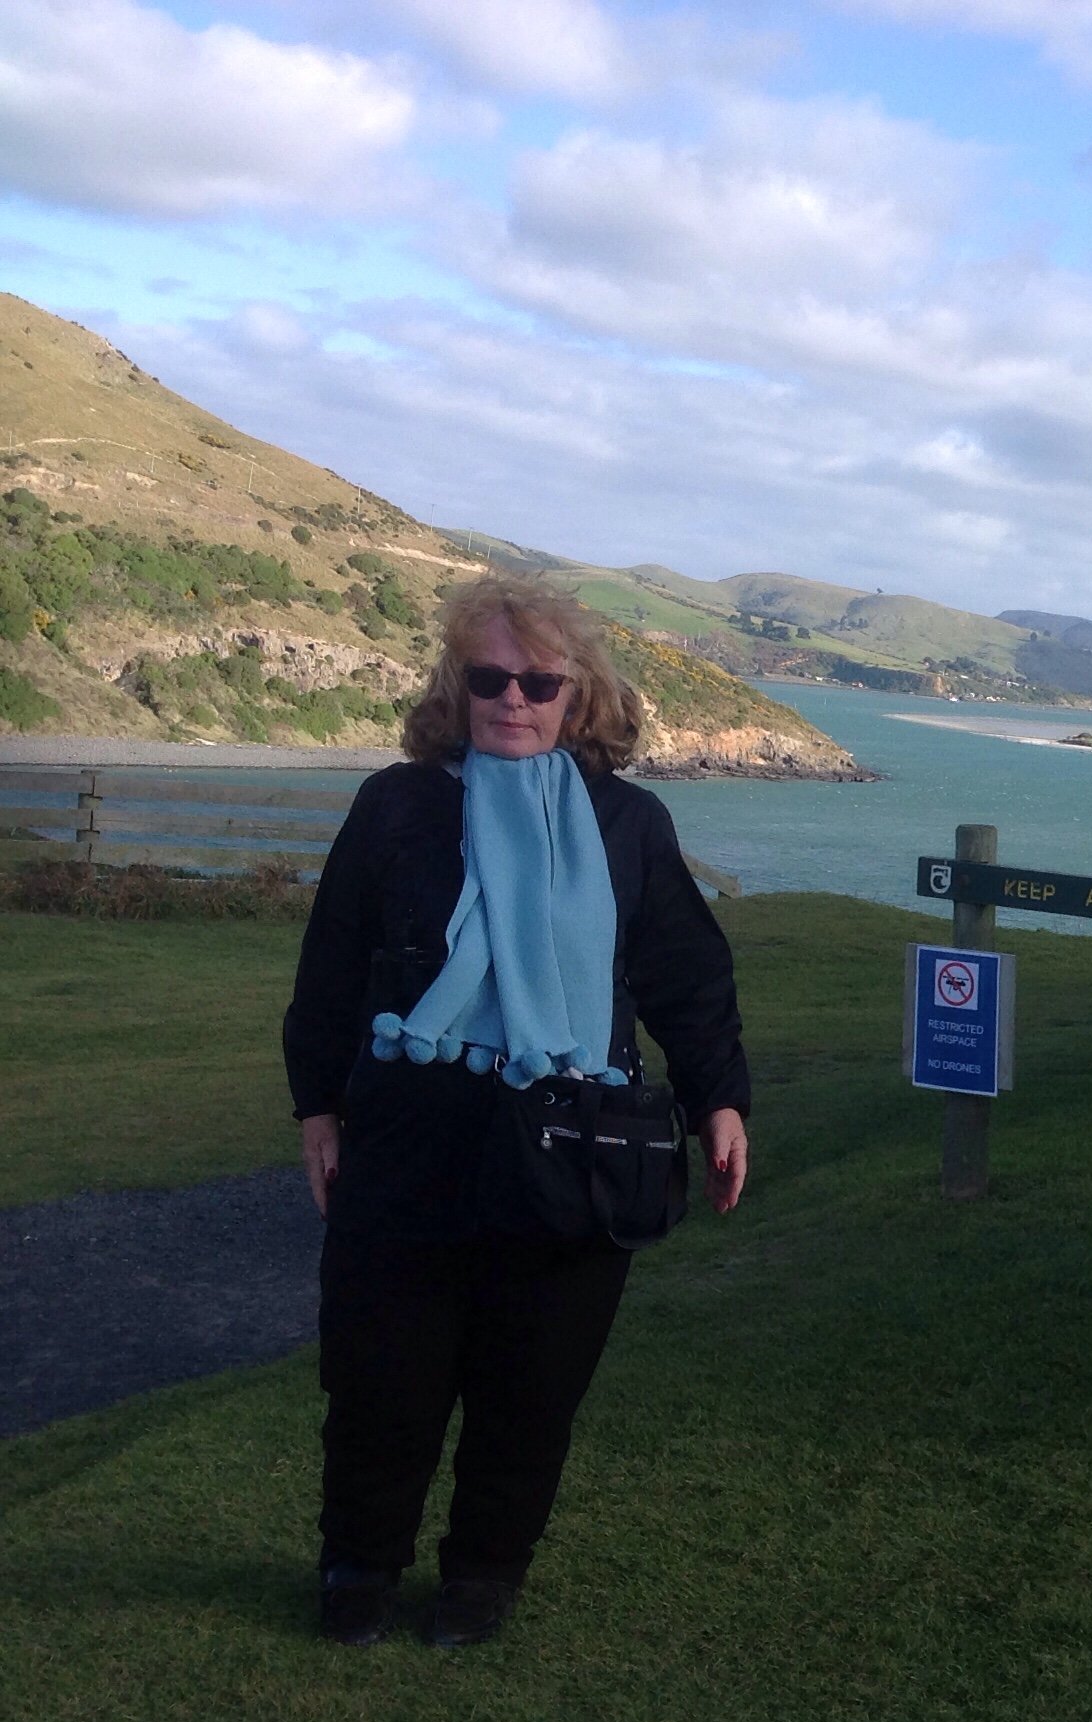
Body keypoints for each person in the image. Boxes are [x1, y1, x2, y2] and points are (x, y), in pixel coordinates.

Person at [282, 573, 750, 1648]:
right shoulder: (396, 806)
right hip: (409, 1139)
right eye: (489, 679)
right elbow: (333, 967)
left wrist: (719, 1099)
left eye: (539, 682)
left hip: (571, 1144)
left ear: (578, 692)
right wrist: (317, 1108)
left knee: (531, 1387)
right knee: (381, 1378)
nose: (513, 701)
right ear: (457, 685)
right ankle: (359, 1567)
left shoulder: (628, 824)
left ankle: (485, 1575)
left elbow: (686, 975)